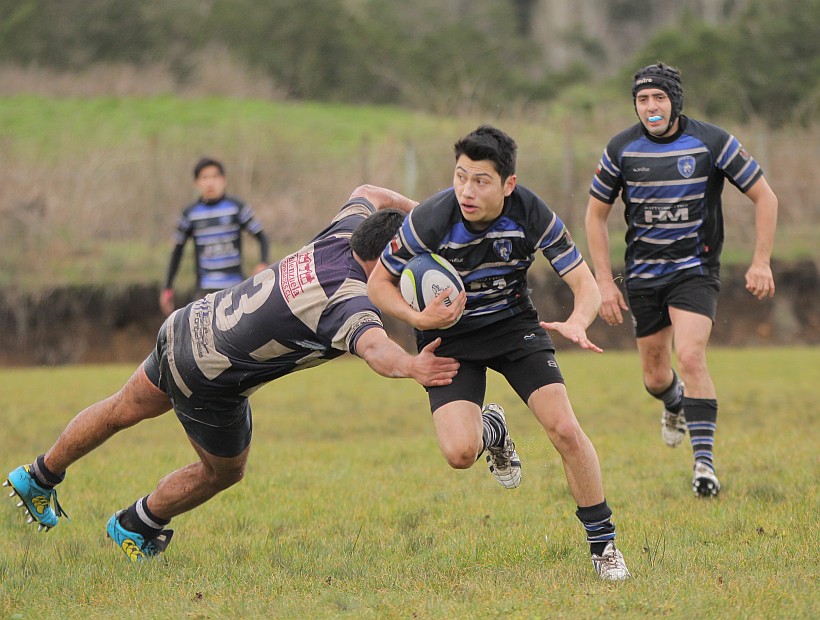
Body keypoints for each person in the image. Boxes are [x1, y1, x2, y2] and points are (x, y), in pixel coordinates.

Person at [4, 185, 459, 562]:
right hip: (208, 377)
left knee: (123, 408)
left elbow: (368, 192)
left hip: (188, 324)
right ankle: (135, 526)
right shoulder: (348, 296)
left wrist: (419, 216)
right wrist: (415, 363)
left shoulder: (342, 233)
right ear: (386, 258)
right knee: (223, 472)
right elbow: (378, 350)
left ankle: (39, 475)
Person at [367, 125, 630, 581]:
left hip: (513, 328)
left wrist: (577, 320)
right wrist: (421, 320)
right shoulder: (430, 219)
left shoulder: (531, 213)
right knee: (458, 453)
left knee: (565, 429)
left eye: (480, 180)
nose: (467, 190)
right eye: (460, 176)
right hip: (450, 337)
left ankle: (604, 547)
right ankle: (492, 429)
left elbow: (583, 282)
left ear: (508, 184)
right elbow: (378, 284)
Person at [584, 62, 778, 498]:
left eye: (658, 98)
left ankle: (704, 465)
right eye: (642, 99)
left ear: (675, 101)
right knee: (656, 377)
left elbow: (765, 196)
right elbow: (595, 215)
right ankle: (674, 405)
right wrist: (604, 281)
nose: (650, 107)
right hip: (643, 274)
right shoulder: (621, 149)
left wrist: (761, 261)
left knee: (690, 357)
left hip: (695, 269)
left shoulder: (712, 142)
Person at [160, 157, 271, 316]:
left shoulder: (236, 207)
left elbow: (262, 237)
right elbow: (177, 251)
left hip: (236, 288)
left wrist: (263, 262)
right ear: (197, 183)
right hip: (204, 290)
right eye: (205, 178)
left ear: (223, 180)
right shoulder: (190, 214)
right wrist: (167, 288)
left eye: (214, 177)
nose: (210, 183)